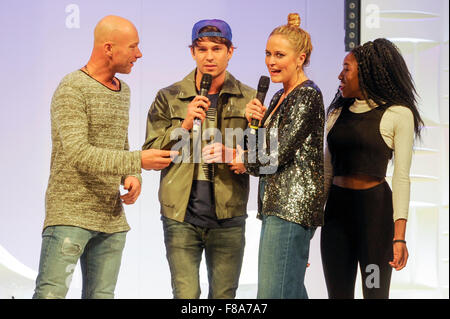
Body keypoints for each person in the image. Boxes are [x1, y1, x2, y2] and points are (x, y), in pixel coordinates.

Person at [33, 15, 177, 299]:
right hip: (70, 214)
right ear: (109, 48)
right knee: (50, 294)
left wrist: (131, 175)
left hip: (111, 218)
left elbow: (117, 142)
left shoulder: (123, 90)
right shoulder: (72, 88)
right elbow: (79, 153)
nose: (139, 54)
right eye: (133, 47)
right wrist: (138, 161)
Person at [142, 19, 255, 299]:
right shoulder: (169, 97)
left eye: (217, 49)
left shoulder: (249, 99)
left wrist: (236, 154)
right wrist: (185, 122)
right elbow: (150, 151)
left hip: (228, 217)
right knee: (185, 296)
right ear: (192, 52)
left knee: (224, 297)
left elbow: (267, 159)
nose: (209, 56)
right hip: (180, 217)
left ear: (230, 52)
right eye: (201, 49)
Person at [320, 38, 424, 299]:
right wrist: (307, 230)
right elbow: (326, 174)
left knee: (375, 292)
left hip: (375, 219)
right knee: (338, 295)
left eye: (346, 68)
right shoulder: (336, 113)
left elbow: (401, 178)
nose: (339, 75)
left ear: (365, 73)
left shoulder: (398, 114)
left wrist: (399, 237)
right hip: (336, 217)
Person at [239, 13, 325, 299]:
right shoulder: (278, 97)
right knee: (288, 291)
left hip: (291, 208)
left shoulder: (307, 96)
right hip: (274, 207)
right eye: (267, 54)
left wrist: (245, 158)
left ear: (300, 58)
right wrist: (252, 123)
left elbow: (273, 155)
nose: (271, 61)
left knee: (274, 294)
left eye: (279, 54)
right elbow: (258, 152)